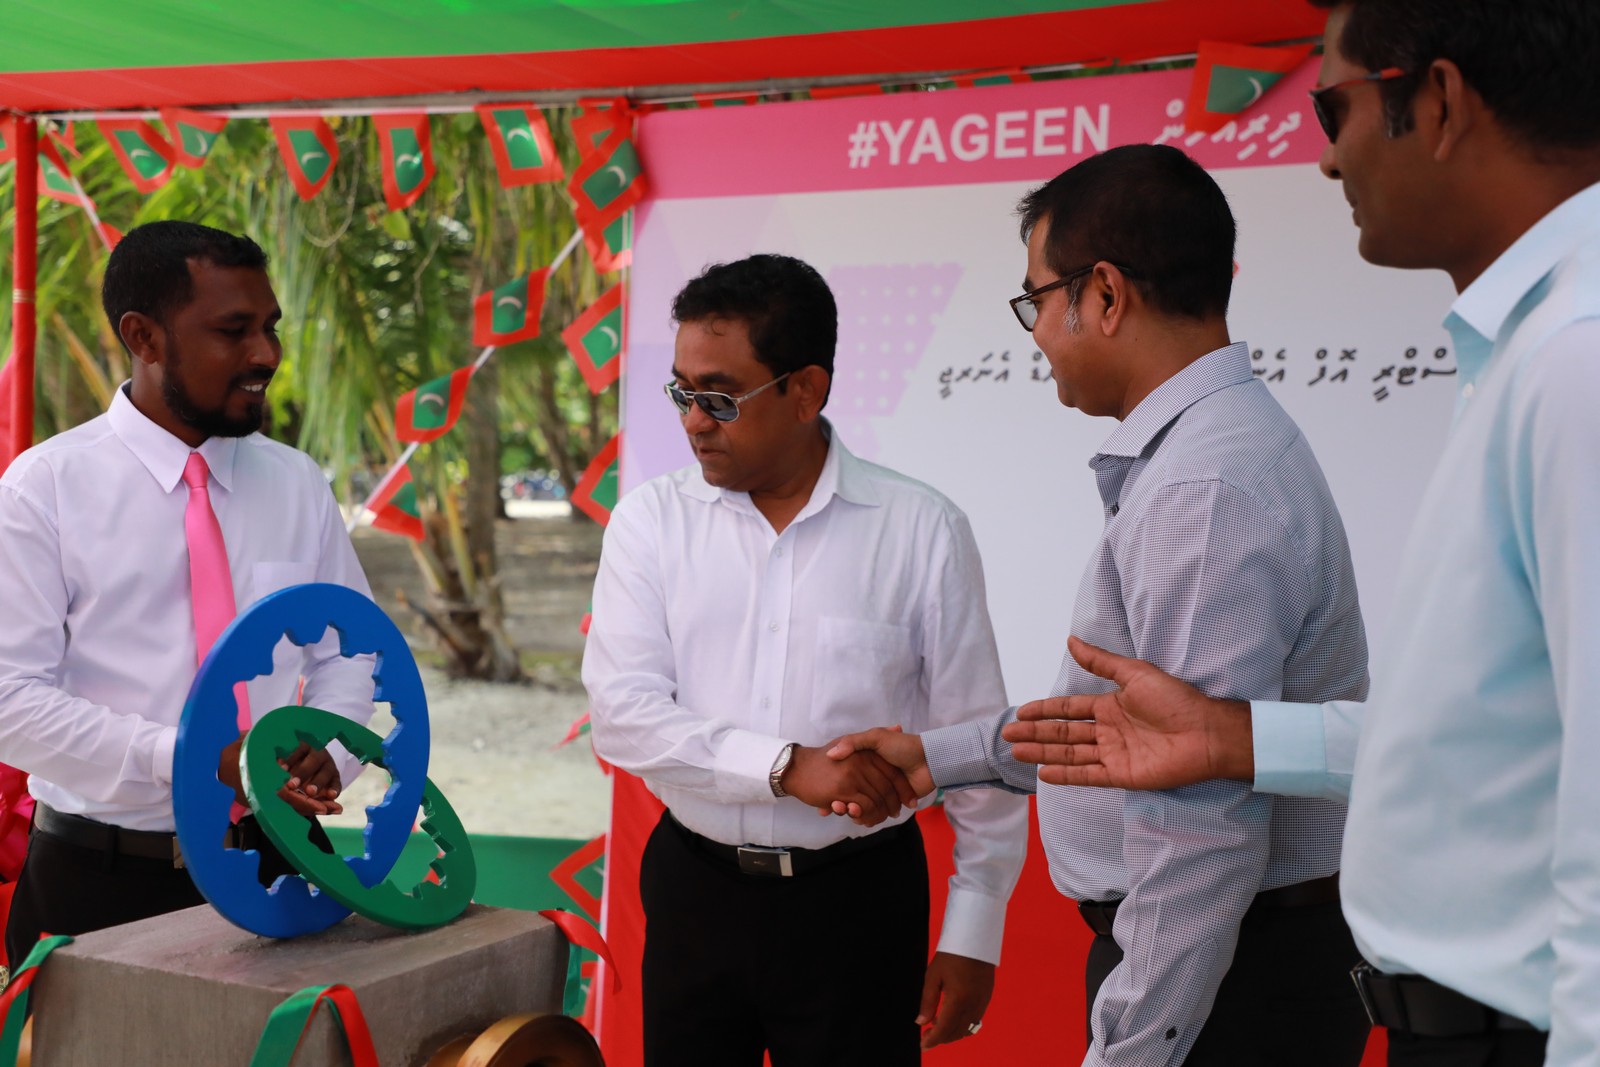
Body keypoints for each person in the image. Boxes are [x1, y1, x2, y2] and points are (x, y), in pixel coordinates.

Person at [1000, 2, 1600, 1065]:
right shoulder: (1527, 349)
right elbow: (1496, 734)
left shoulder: (1574, 358)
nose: (1327, 161)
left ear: (1439, 100)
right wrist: (1239, 737)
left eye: (1334, 110)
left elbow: (1199, 837)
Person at [829, 144, 1372, 1067]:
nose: (1036, 331)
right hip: (1231, 967)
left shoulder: (1203, 491)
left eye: (1037, 299)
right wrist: (940, 756)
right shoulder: (1208, 453)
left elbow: (1200, 826)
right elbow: (1123, 730)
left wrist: (1128, 1051)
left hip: (1225, 982)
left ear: (1106, 294)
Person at [580, 253, 1027, 1066]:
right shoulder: (651, 522)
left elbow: (977, 742)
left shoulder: (920, 529)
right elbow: (622, 717)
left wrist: (976, 928)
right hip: (692, 890)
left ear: (806, 390)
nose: (694, 422)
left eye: (720, 397)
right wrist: (789, 767)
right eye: (682, 392)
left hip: (858, 904)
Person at [0, 221, 377, 969]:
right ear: (143, 337)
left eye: (269, 327)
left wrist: (332, 747)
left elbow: (351, 651)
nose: (265, 354)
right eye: (233, 331)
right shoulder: (46, 488)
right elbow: (9, 699)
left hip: (280, 861)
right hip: (103, 884)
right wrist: (191, 757)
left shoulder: (296, 482)